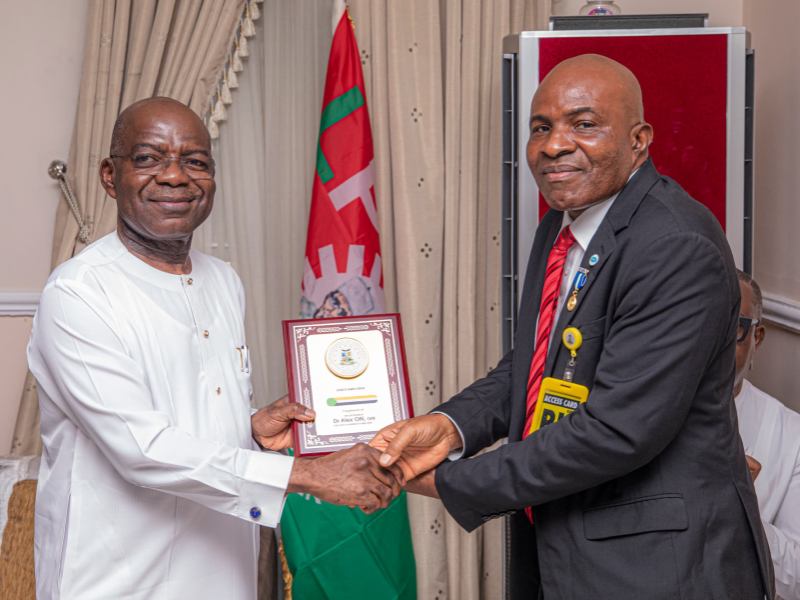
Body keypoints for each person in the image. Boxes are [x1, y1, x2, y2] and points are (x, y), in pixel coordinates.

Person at [371, 54, 774, 599]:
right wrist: (449, 427)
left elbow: (618, 431)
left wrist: (446, 479)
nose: (554, 145)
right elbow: (532, 368)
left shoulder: (675, 245)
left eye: (584, 124)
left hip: (659, 566)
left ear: (639, 140)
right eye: (541, 128)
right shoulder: (561, 227)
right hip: (568, 539)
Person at [28, 97, 402, 599]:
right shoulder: (77, 294)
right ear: (109, 177)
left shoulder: (224, 281)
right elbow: (142, 448)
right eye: (148, 158)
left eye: (195, 161)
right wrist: (308, 474)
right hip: (118, 579)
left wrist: (248, 427)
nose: (175, 176)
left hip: (223, 571)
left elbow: (188, 409)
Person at [735, 270, 800, 600]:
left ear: (756, 337)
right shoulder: (641, 416)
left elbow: (796, 577)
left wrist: (738, 509)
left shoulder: (791, 436)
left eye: (733, 328)